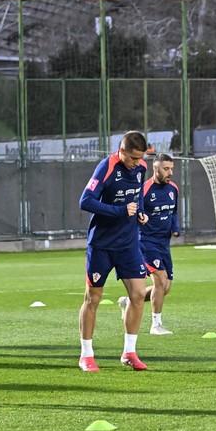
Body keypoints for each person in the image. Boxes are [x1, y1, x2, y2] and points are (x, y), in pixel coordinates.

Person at [78, 131, 150, 372]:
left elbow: (136, 197)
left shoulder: (141, 168)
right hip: (101, 244)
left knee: (139, 294)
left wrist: (139, 211)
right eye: (132, 158)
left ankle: (129, 351)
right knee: (93, 298)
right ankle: (86, 354)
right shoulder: (106, 167)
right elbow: (85, 201)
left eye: (140, 158)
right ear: (121, 151)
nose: (136, 163)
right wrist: (120, 211)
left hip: (128, 243)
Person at [121, 152, 180, 335]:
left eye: (171, 169)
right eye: (166, 168)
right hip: (146, 242)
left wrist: (175, 228)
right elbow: (134, 213)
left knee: (165, 287)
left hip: (164, 243)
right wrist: (141, 217)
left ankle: (128, 301)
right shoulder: (145, 190)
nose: (170, 172)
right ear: (155, 168)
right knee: (160, 281)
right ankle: (156, 324)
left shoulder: (173, 189)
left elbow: (174, 212)